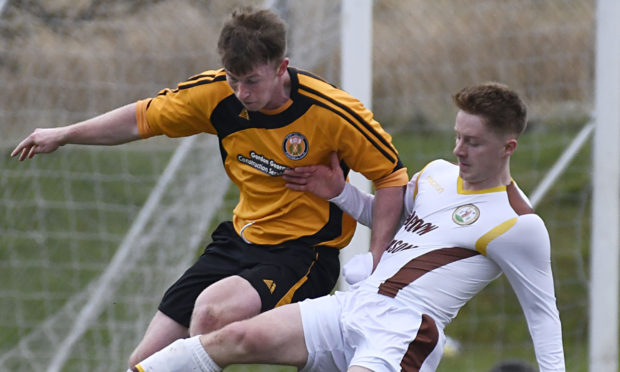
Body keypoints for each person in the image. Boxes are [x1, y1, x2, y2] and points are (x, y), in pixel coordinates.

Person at [10, 7, 408, 367]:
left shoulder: (333, 112)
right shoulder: (217, 94)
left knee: (212, 313)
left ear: (281, 67)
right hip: (238, 241)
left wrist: (376, 264)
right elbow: (140, 119)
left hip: (304, 253)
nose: (242, 93)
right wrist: (64, 134)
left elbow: (391, 176)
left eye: (252, 81)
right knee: (146, 362)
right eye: (234, 80)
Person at [129, 82, 566, 372]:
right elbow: (388, 217)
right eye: (457, 137)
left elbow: (543, 315)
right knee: (234, 336)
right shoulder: (436, 173)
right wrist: (339, 191)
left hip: (403, 329)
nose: (458, 150)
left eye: (473, 142)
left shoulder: (518, 223)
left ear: (508, 147)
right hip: (352, 304)